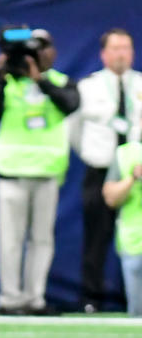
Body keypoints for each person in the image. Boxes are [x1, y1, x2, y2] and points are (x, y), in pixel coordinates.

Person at [0, 28, 80, 315]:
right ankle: (10, 299)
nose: (38, 54)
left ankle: (35, 298)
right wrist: (0, 79)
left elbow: (70, 104)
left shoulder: (60, 82)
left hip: (47, 173)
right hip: (12, 172)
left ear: (52, 52)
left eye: (43, 47)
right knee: (11, 240)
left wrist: (41, 79)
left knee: (41, 240)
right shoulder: (9, 82)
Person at [70, 28, 142, 313]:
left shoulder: (140, 84)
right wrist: (91, 153)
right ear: (103, 54)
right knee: (96, 237)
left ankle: (134, 299)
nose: (121, 53)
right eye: (115, 48)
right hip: (100, 168)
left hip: (135, 172)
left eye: (126, 47)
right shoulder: (88, 87)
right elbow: (73, 129)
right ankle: (92, 298)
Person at [102, 122, 142, 316]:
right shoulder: (127, 154)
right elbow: (110, 197)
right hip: (134, 242)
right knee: (137, 315)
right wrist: (133, 178)